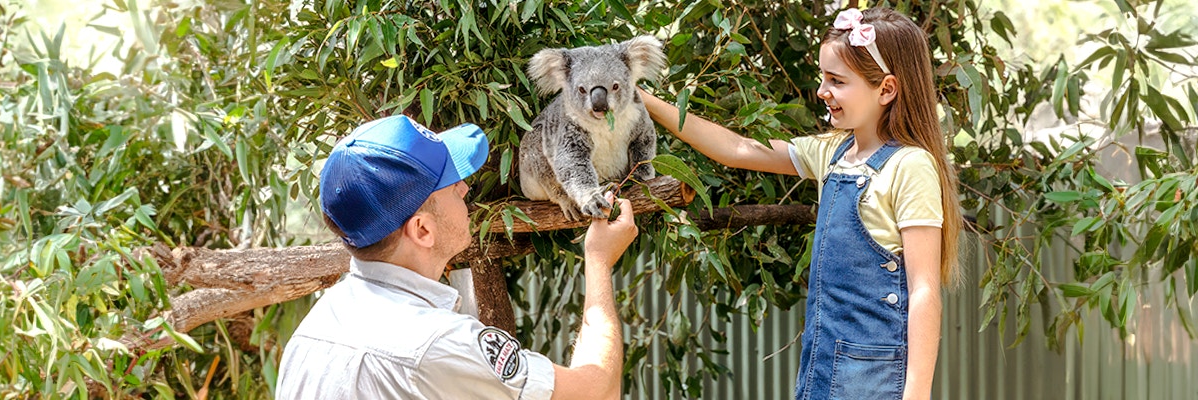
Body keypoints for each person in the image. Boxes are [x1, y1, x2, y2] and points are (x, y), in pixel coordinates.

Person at [639, 7, 961, 400]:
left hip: (873, 378)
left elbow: (925, 288)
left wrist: (917, 392)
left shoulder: (910, 166)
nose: (823, 91)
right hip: (821, 364)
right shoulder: (833, 152)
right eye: (823, 77)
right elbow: (738, 149)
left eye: (837, 81)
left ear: (886, 89)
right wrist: (643, 100)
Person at [275, 115, 637, 399]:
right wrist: (598, 261)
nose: (465, 187)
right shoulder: (436, 345)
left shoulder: (319, 325)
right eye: (451, 185)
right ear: (422, 230)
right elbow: (597, 392)